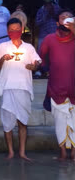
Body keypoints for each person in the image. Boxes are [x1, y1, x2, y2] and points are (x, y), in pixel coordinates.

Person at [0, 18, 41, 161]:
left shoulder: (29, 48)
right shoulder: (2, 46)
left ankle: (22, 152)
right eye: (11, 30)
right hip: (8, 87)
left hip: (23, 87)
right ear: (8, 31)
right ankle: (10, 152)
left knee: (23, 122)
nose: (14, 32)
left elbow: (37, 63)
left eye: (17, 29)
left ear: (22, 30)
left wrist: (34, 67)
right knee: (7, 122)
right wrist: (3, 58)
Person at [40, 10, 75, 161]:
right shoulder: (49, 38)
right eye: (63, 17)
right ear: (57, 22)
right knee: (60, 121)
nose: (66, 20)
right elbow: (41, 57)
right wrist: (44, 68)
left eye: (69, 17)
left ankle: (74, 152)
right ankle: (62, 151)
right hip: (56, 85)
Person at [35, 0, 61, 78]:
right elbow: (37, 23)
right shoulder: (41, 10)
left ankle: (52, 71)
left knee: (54, 54)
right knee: (41, 53)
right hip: (43, 35)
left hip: (55, 35)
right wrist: (45, 16)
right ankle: (39, 71)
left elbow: (61, 18)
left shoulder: (57, 8)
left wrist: (53, 11)